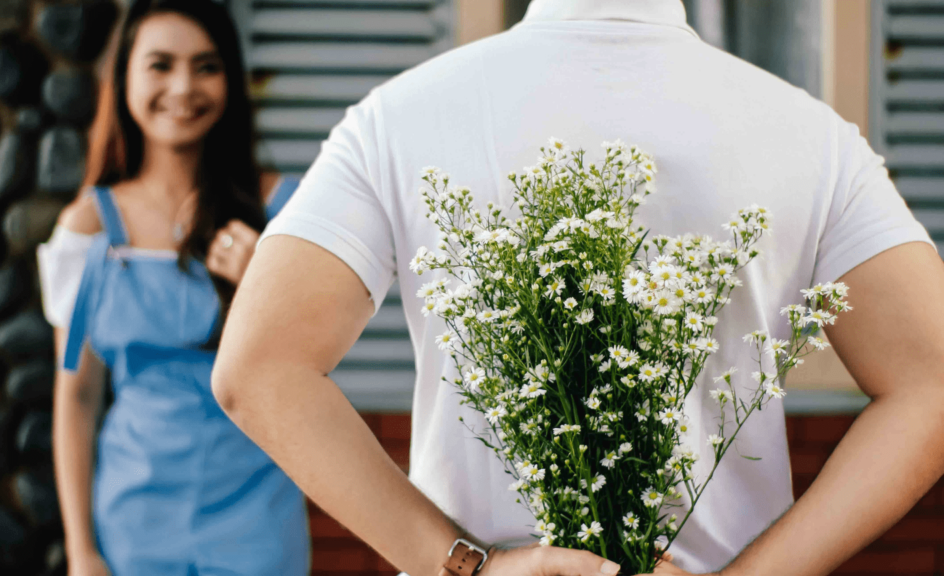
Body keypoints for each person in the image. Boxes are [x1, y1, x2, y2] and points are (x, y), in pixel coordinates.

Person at [210, 0, 944, 575]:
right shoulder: (810, 134)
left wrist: (463, 565)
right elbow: (934, 383)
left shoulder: (397, 118)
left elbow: (257, 368)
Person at [37, 1, 308, 574]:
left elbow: (316, 369)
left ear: (230, 80)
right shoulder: (86, 227)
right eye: (161, 65)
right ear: (125, 76)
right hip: (131, 519)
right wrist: (82, 551)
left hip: (258, 513)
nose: (183, 87)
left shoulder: (284, 210)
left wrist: (260, 284)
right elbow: (77, 397)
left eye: (206, 66)